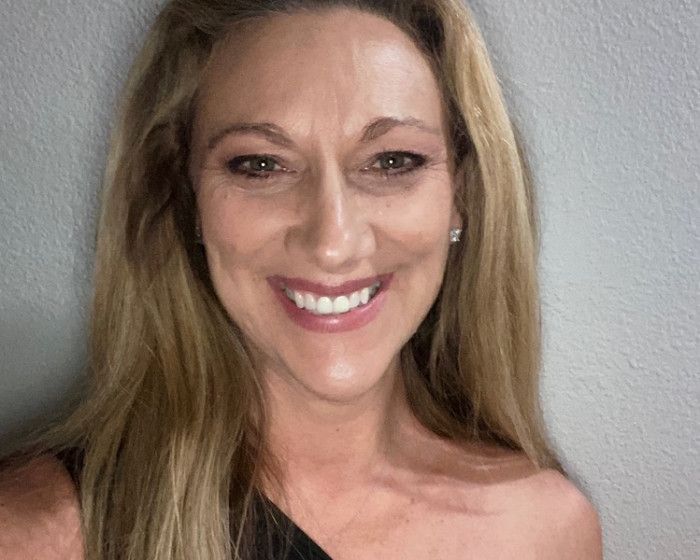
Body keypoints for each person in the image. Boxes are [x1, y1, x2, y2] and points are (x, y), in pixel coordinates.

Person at [0, 0, 603, 558]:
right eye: (261, 165)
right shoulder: (38, 535)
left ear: (460, 196)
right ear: (185, 199)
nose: (333, 242)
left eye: (392, 161)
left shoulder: (548, 529)